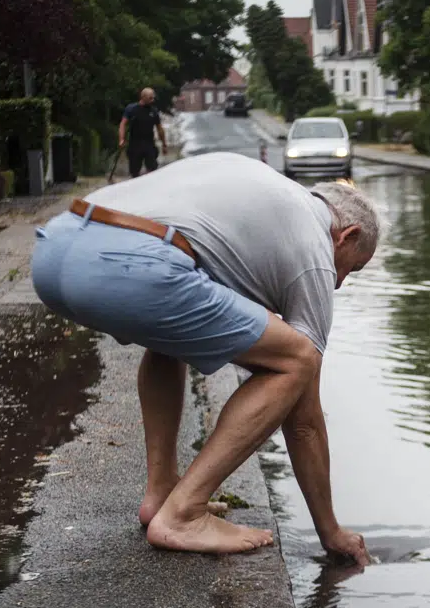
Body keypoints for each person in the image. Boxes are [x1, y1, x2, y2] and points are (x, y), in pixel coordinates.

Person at [32, 151, 375, 565]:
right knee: (297, 361)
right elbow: (303, 419)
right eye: (350, 270)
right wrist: (331, 532)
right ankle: (183, 513)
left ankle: (160, 492)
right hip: (127, 263)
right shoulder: (314, 248)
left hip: (55, 248)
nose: (337, 284)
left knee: (171, 335)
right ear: (347, 235)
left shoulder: (266, 195)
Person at [117, 87, 167, 180]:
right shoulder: (131, 109)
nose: (152, 100)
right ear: (143, 97)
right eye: (150, 98)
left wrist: (164, 144)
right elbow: (123, 124)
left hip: (149, 143)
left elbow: (160, 129)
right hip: (134, 144)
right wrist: (121, 139)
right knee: (134, 172)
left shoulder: (154, 111)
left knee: (153, 169)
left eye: (153, 98)